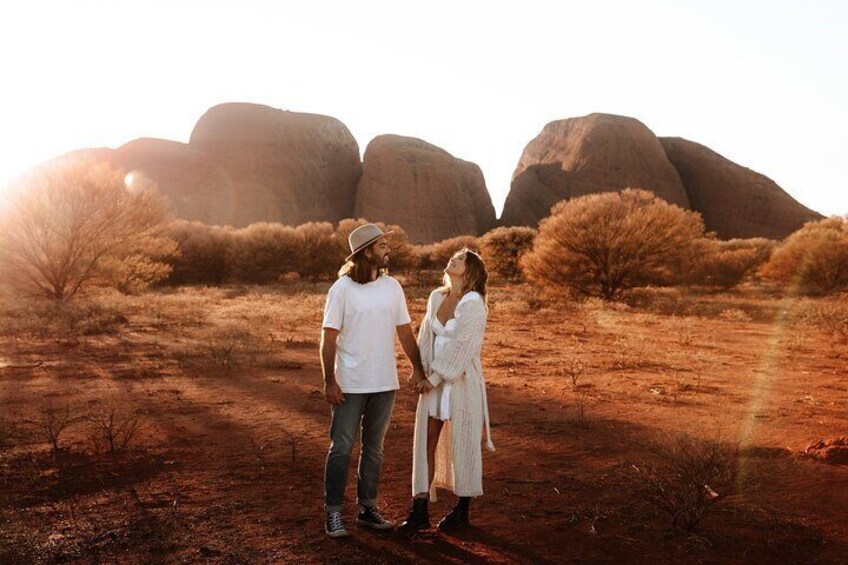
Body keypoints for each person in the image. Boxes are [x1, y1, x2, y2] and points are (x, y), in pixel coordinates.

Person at [320, 223, 426, 538]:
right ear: (367, 252)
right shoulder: (341, 290)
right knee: (341, 448)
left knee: (374, 449)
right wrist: (329, 381)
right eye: (381, 246)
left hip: (384, 381)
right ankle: (334, 513)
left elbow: (405, 331)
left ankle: (367, 508)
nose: (387, 250)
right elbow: (328, 338)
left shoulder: (392, 286)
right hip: (350, 383)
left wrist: (418, 368)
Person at [398, 248, 494, 532]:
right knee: (426, 440)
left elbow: (465, 346)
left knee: (463, 442)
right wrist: (421, 371)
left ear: (471, 269)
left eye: (461, 258)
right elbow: (425, 335)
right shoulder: (436, 297)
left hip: (461, 380)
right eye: (453, 256)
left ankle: (462, 509)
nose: (454, 259)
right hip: (433, 381)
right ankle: (420, 508)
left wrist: (436, 377)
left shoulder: (474, 302)